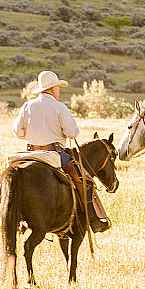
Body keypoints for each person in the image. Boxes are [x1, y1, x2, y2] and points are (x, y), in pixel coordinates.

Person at [12, 70, 111, 232]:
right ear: (52, 90)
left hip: (29, 154)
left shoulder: (27, 106)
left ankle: (19, 220)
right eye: (57, 87)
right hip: (54, 154)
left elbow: (17, 132)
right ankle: (93, 219)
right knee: (85, 180)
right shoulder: (59, 107)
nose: (59, 91)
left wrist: (35, 138)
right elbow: (73, 133)